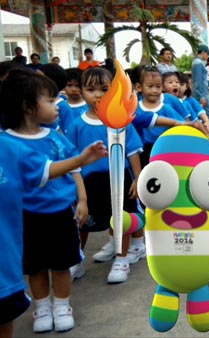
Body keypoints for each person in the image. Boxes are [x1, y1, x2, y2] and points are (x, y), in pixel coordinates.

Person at [0, 69, 88, 333]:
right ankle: (42, 307)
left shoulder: (54, 137)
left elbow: (74, 170)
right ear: (28, 107)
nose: (57, 104)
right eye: (50, 100)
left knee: (61, 264)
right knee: (34, 266)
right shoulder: (8, 143)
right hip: (25, 216)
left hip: (60, 212)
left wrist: (82, 199)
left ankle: (62, 305)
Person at [65, 67, 145, 284]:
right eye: (91, 89)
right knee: (82, 224)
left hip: (119, 180)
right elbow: (72, 161)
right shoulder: (75, 124)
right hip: (88, 183)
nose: (98, 94)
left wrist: (138, 179)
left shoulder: (120, 120)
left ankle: (121, 259)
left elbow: (132, 152)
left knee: (121, 220)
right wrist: (77, 190)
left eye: (104, 89)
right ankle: (76, 261)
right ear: (82, 91)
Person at [56, 68, 87, 133]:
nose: (73, 89)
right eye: (69, 85)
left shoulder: (89, 105)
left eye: (77, 86)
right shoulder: (59, 106)